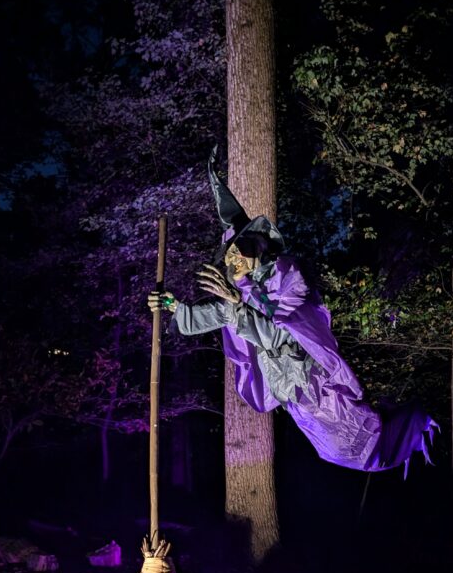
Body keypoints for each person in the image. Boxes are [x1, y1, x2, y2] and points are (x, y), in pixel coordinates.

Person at [148, 147, 437, 474]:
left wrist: (236, 306)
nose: (233, 262)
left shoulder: (287, 276)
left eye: (238, 251)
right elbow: (206, 316)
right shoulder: (239, 294)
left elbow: (280, 329)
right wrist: (171, 305)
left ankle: (425, 428)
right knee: (338, 451)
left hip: (314, 383)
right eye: (228, 258)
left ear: (256, 246)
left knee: (368, 446)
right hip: (294, 398)